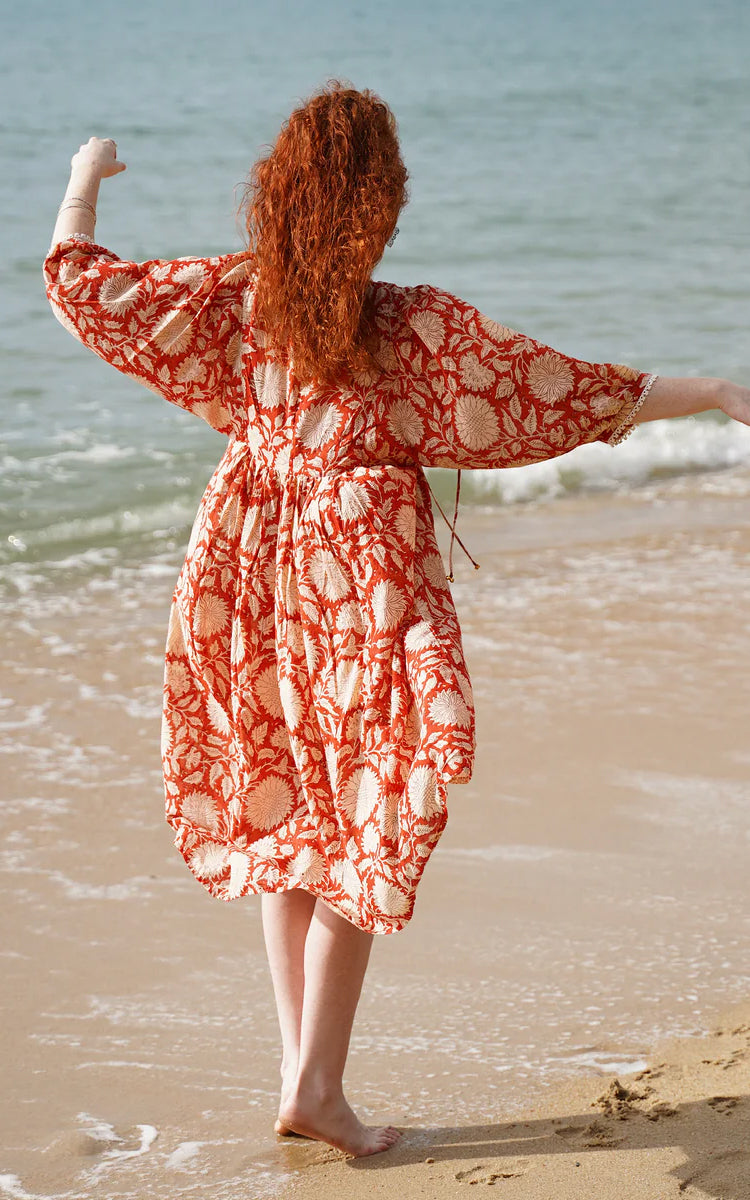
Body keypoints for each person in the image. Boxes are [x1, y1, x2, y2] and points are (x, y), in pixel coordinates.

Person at [43, 81, 750, 1159]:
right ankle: (314, 1085)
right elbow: (549, 391)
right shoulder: (408, 325)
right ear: (380, 206)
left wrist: (83, 180)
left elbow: (90, 291)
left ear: (277, 197)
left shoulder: (237, 302)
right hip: (362, 587)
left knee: (290, 816)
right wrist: (705, 390)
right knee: (371, 816)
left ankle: (305, 1078)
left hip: (245, 575)